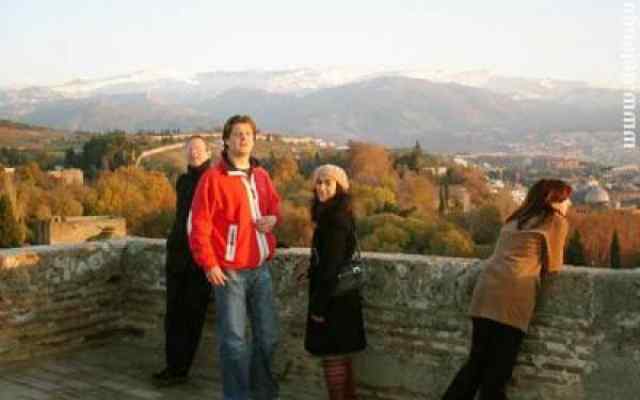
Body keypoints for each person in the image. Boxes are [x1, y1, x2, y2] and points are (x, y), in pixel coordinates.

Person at [442, 179, 572, 400]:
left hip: (486, 290)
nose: (569, 203)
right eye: (567, 198)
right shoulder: (555, 222)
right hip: (513, 296)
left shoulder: (514, 220)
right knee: (497, 374)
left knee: (475, 365)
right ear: (555, 201)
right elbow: (554, 267)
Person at [189, 115, 281, 400]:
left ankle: (263, 394)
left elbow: (274, 206)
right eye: (238, 134)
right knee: (235, 343)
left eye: (249, 134)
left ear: (254, 140)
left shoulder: (262, 176)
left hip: (260, 269)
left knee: (268, 337)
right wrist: (210, 263)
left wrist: (273, 219)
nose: (244, 138)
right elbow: (197, 226)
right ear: (226, 140)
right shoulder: (212, 179)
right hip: (230, 273)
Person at [303, 164, 367, 400]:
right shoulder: (337, 215)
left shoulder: (335, 221)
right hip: (342, 297)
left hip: (334, 301)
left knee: (333, 358)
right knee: (342, 357)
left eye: (328, 182)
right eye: (319, 182)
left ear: (340, 187)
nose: (321, 187)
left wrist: (318, 308)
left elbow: (331, 268)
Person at [152, 135, 212, 387]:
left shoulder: (213, 181)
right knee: (174, 314)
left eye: (198, 149)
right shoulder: (183, 181)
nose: (194, 153)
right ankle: (172, 366)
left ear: (208, 152)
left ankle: (181, 369)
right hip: (177, 255)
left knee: (193, 314)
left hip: (200, 258)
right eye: (190, 149)